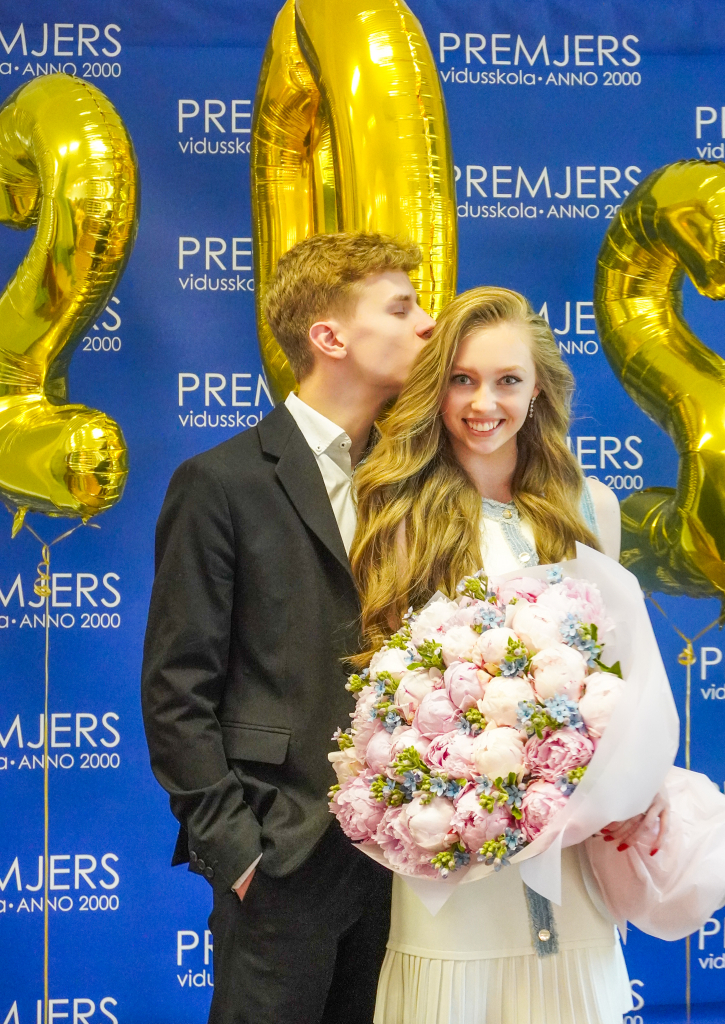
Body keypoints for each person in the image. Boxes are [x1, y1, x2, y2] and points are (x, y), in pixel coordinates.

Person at [350, 286, 666, 1024]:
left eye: (507, 380)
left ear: (538, 390)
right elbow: (385, 683)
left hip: (572, 850)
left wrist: (630, 778)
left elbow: (618, 670)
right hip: (451, 854)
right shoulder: (394, 508)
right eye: (461, 379)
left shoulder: (590, 506)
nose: (482, 403)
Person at [140, 232, 435, 1024]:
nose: (427, 323)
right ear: (329, 337)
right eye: (400, 308)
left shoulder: (415, 486)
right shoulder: (220, 483)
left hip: (406, 861)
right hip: (282, 853)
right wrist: (237, 852)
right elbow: (176, 690)